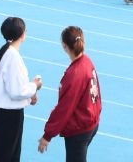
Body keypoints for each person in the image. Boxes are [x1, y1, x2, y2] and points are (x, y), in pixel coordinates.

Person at [38, 27, 101, 161]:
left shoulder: (74, 74)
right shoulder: (86, 61)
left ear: (64, 46)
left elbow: (65, 108)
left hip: (79, 129)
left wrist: (47, 135)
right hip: (91, 122)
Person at [0, 17, 42, 162]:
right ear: (22, 34)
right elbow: (16, 91)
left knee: (10, 155)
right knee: (5, 157)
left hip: (8, 115)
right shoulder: (12, 57)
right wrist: (34, 86)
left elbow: (14, 87)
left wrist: (30, 95)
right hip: (9, 116)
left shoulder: (8, 53)